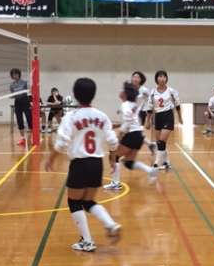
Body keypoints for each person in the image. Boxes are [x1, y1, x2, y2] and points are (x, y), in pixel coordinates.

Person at [45, 77, 121, 252]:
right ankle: (110, 224)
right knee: (88, 201)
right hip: (97, 164)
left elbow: (62, 143)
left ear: (75, 94)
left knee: (74, 202)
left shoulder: (71, 117)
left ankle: (87, 241)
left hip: (80, 164)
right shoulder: (102, 116)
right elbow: (113, 142)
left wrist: (50, 159)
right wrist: (113, 159)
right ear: (93, 94)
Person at [104, 82, 158, 191]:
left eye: (122, 90)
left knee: (114, 156)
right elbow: (143, 96)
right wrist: (144, 94)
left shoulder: (125, 105)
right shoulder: (135, 103)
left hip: (131, 135)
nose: (120, 92)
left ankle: (115, 183)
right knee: (128, 163)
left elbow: (128, 121)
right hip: (139, 136)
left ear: (125, 94)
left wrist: (120, 135)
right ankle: (150, 171)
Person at [145, 70, 183, 171]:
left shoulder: (171, 91)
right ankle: (167, 162)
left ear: (166, 78)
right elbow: (149, 107)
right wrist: (147, 121)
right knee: (159, 143)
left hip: (168, 116)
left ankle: (157, 163)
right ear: (156, 79)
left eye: (164, 76)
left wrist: (180, 117)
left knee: (162, 141)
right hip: (158, 117)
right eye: (160, 76)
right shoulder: (153, 92)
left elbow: (178, 104)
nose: (162, 78)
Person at [131, 71, 156, 156]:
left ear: (141, 80)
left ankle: (130, 153)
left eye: (137, 77)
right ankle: (151, 145)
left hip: (141, 113)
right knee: (136, 134)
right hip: (133, 113)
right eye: (134, 77)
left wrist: (148, 117)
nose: (135, 79)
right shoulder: (131, 89)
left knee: (135, 133)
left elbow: (151, 101)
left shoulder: (144, 90)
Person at [10, 68, 32, 146]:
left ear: (19, 74)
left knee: (29, 118)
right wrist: (11, 96)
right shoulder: (12, 85)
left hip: (25, 101)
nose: (15, 76)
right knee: (19, 120)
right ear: (12, 76)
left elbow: (29, 92)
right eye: (13, 74)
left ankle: (31, 137)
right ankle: (22, 138)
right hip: (17, 103)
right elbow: (13, 94)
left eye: (16, 74)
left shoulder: (24, 83)